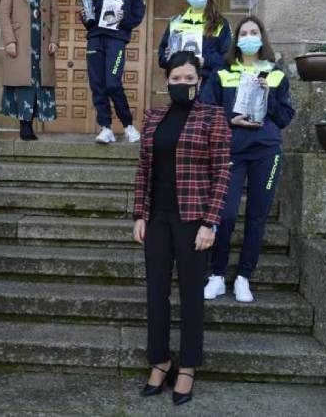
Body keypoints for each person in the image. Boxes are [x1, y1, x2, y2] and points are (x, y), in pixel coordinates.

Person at [132, 51, 232, 406]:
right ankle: (160, 361)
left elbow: (222, 172)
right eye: (176, 79)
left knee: (191, 295)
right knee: (156, 293)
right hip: (157, 218)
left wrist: (211, 222)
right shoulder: (154, 116)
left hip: (193, 220)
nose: (182, 84)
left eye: (189, 79)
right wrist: (139, 214)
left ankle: (188, 366)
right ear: (167, 82)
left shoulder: (213, 117)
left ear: (199, 82)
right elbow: (144, 169)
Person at [198, 15, 296, 303]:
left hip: (266, 151)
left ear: (261, 37)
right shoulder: (222, 73)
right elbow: (206, 111)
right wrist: (232, 119)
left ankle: (243, 276)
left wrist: (271, 97)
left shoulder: (275, 74)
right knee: (225, 214)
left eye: (254, 32)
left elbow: (284, 117)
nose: (249, 37)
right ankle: (216, 275)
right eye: (244, 32)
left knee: (257, 216)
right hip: (232, 152)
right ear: (237, 39)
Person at [80, 0, 145, 144]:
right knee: (97, 85)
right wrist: (86, 16)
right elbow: (90, 17)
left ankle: (128, 126)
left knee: (113, 84)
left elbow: (138, 14)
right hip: (95, 39)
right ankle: (105, 128)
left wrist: (123, 19)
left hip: (116, 39)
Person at [0, 0, 59, 141]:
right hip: (20, 42)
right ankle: (25, 127)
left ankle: (31, 124)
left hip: (42, 43)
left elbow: (56, 16)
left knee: (38, 84)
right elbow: (4, 14)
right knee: (24, 84)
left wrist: (55, 40)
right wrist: (9, 40)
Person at [158, 0, 231, 82]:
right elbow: (162, 58)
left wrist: (205, 61)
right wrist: (170, 58)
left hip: (209, 84)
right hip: (180, 83)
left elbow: (228, 60)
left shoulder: (220, 24)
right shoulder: (176, 22)